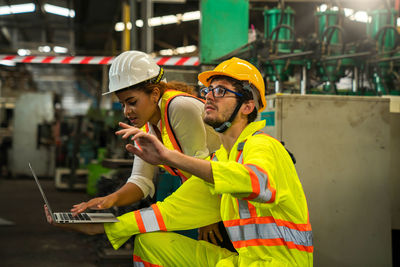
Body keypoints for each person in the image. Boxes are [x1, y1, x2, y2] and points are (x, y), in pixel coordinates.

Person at [45, 57, 313, 266]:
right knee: (151, 244)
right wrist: (104, 227)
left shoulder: (264, 145)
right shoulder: (224, 158)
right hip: (244, 262)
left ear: (248, 106)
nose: (208, 95)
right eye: (208, 89)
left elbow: (255, 182)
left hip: (279, 264)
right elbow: (170, 212)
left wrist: (168, 156)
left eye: (221, 91)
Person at [71, 50, 226, 245]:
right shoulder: (145, 126)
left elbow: (201, 168)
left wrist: (206, 216)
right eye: (122, 104)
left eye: (132, 102)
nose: (127, 111)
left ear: (154, 94)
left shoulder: (180, 107)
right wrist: (110, 199)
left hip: (224, 194)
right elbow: (141, 181)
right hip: (202, 194)